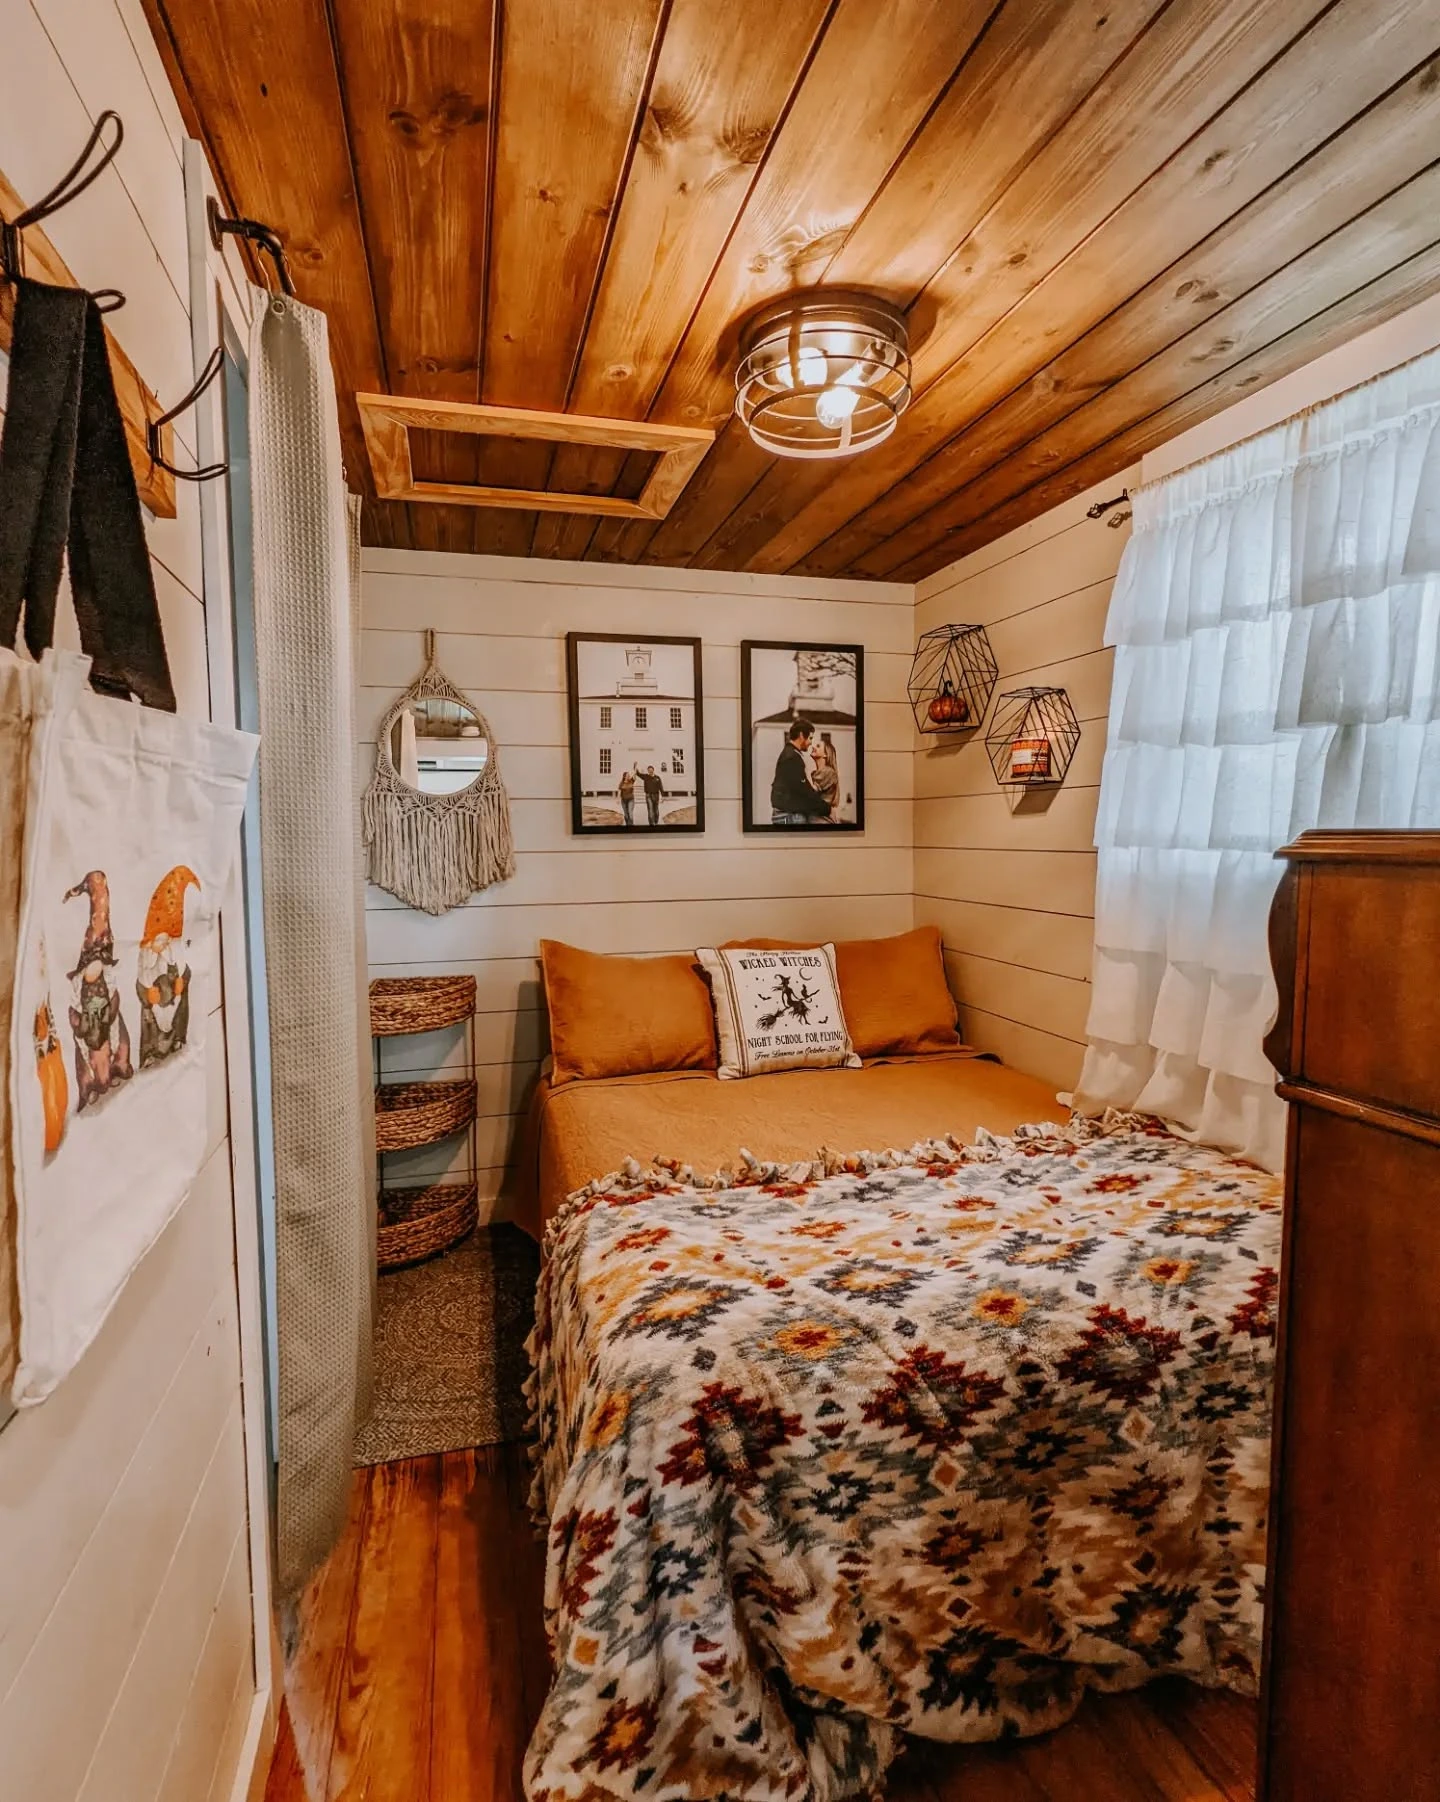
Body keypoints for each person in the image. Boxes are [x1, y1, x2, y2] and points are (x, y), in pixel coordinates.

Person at [769, 719, 832, 826]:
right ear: (801, 735)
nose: (811, 743)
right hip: (790, 816)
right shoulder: (792, 758)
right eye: (810, 738)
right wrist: (826, 808)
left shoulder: (789, 754)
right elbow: (803, 791)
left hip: (786, 815)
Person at [811, 733, 840, 815]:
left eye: (818, 746)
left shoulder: (829, 772)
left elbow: (810, 792)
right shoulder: (814, 773)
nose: (813, 747)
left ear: (825, 754)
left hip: (821, 819)